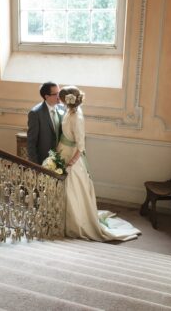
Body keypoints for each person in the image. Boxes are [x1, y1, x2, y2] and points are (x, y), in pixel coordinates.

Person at [57, 86, 141, 241]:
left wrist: (71, 163)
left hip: (71, 158)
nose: (58, 101)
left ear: (66, 100)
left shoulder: (77, 117)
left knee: (72, 189)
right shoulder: (70, 112)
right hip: (63, 152)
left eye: (60, 99)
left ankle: (74, 222)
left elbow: (81, 145)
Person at [27, 82, 64, 165]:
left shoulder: (63, 108)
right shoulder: (35, 113)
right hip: (44, 161)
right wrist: (35, 165)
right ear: (47, 96)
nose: (60, 96)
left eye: (60, 92)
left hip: (60, 158)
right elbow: (31, 143)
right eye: (56, 94)